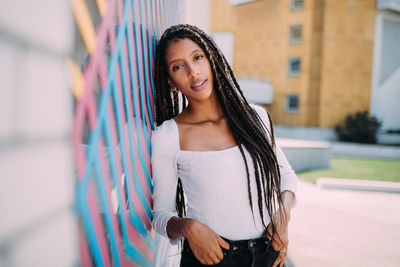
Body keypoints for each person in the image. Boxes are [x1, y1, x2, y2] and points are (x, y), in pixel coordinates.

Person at [151, 24, 297, 267]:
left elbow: (287, 176)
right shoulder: (168, 136)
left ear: (211, 58)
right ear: (171, 81)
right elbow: (161, 215)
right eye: (178, 67)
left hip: (267, 253)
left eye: (197, 57)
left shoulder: (255, 117)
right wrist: (188, 227)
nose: (193, 72)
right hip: (209, 257)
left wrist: (283, 213)